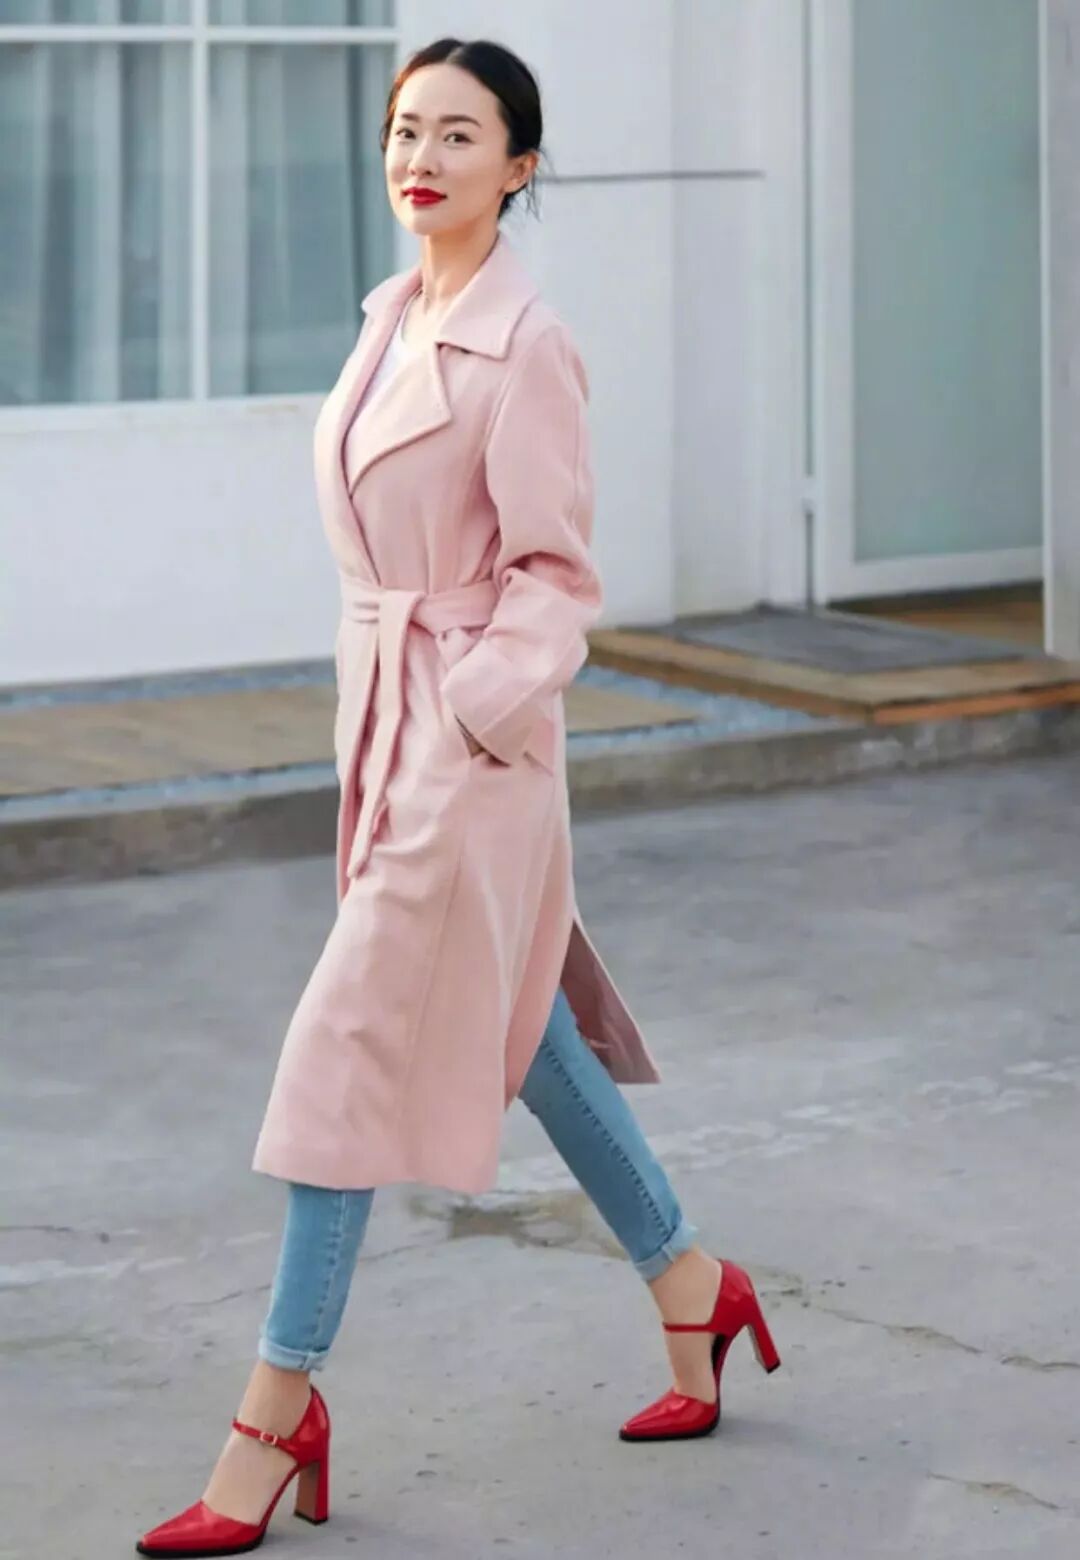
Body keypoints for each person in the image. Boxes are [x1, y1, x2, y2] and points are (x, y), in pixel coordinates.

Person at [135, 37, 780, 1559]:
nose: (420, 157)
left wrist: (471, 714)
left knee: (345, 1055)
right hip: (385, 720)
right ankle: (693, 1285)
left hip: (467, 751)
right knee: (520, 1030)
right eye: (404, 130)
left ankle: (274, 1415)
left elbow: (557, 575)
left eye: (459, 135)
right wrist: (398, 710)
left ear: (519, 166)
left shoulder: (528, 343)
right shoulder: (389, 317)